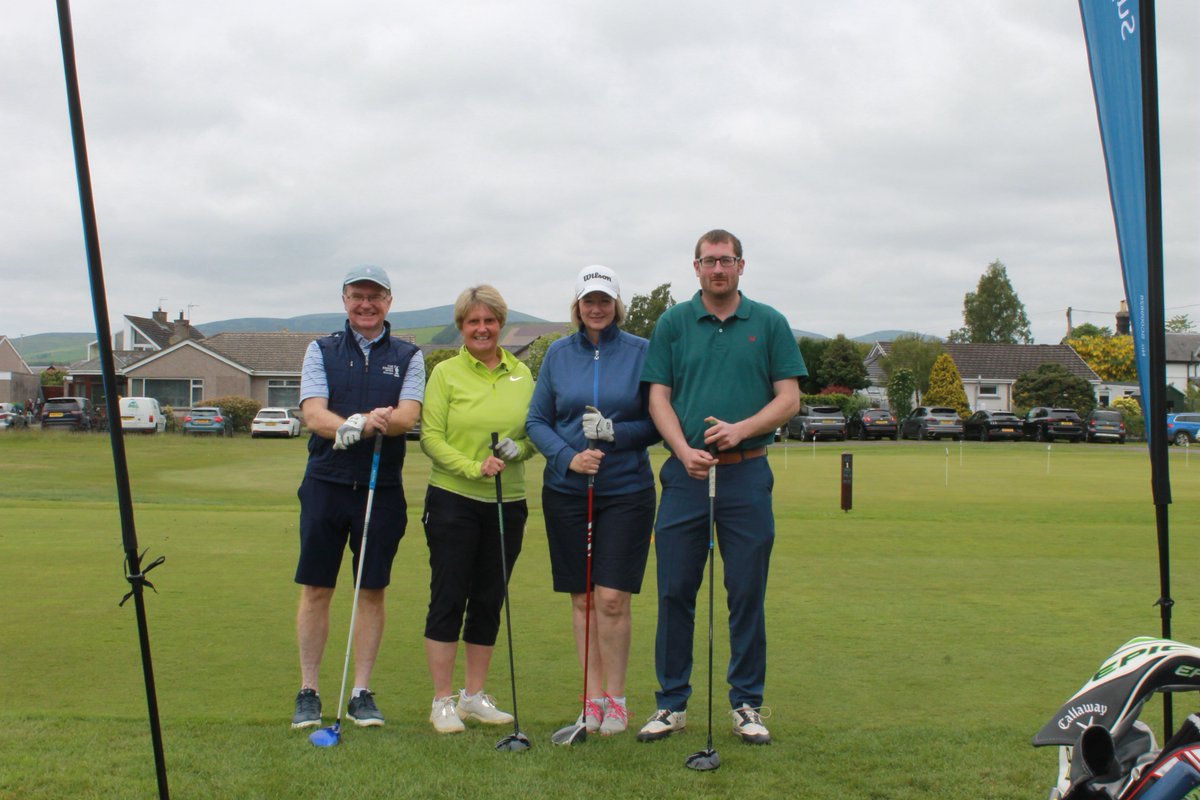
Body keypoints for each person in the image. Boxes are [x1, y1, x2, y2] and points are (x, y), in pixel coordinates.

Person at [637, 230, 805, 745]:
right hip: (686, 477)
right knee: (674, 591)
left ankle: (747, 704)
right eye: (709, 261)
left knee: (747, 591)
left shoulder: (770, 322)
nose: (718, 269)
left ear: (740, 265)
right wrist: (683, 450)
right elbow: (658, 398)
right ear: (695, 267)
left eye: (726, 261)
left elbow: (789, 399)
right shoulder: (673, 322)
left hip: (747, 473)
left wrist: (742, 428)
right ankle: (671, 704)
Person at [526, 265, 659, 735]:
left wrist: (614, 433)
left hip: (626, 491)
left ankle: (617, 700)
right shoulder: (559, 355)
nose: (596, 308)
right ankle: (591, 700)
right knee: (582, 599)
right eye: (588, 301)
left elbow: (660, 422)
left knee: (612, 598)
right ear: (577, 307)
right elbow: (537, 420)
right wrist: (568, 458)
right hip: (567, 492)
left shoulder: (643, 352)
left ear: (617, 304)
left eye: (604, 300)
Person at [291, 265, 424, 730]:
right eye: (357, 295)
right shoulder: (321, 349)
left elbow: (408, 415)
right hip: (327, 483)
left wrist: (378, 421)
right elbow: (314, 413)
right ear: (344, 299)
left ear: (389, 301)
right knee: (317, 588)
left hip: (380, 487)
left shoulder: (408, 354)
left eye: (375, 296)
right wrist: (358, 423)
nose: (366, 304)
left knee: (371, 590)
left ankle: (361, 692)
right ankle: (309, 691)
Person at [420, 285, 535, 734]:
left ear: (500, 325)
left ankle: (473, 696)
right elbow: (431, 437)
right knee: (449, 597)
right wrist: (473, 466)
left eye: (489, 321)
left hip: (509, 502)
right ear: (462, 327)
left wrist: (518, 449)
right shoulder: (446, 374)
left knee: (489, 599)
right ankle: (442, 700)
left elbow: (534, 434)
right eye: (473, 322)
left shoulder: (523, 373)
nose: (482, 329)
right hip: (453, 499)